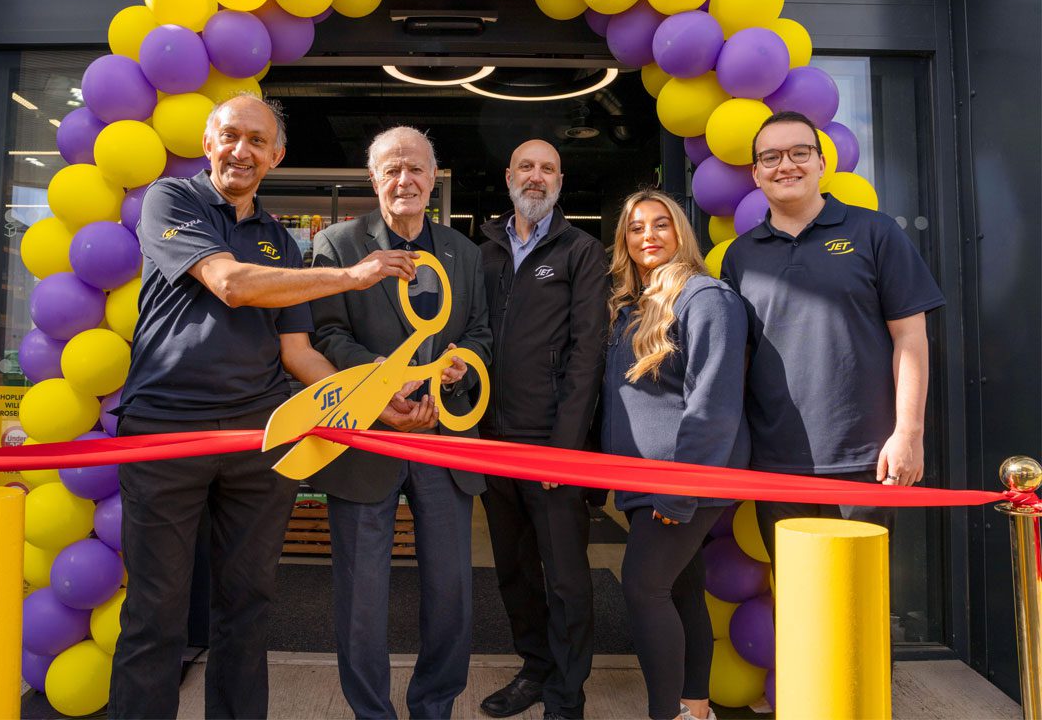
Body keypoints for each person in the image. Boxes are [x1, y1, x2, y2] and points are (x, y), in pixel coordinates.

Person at [109, 94, 425, 720]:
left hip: (259, 439)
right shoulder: (171, 201)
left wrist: (371, 402)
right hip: (167, 433)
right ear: (208, 143)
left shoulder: (281, 239)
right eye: (230, 136)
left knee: (247, 609)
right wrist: (350, 276)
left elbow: (299, 353)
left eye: (257, 141)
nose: (241, 151)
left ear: (276, 155)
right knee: (156, 612)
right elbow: (230, 283)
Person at [308, 126, 493, 720]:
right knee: (362, 595)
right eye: (391, 169)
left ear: (432, 177)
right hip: (366, 438)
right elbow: (326, 334)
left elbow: (480, 334)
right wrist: (382, 380)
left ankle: (434, 706)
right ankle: (371, 713)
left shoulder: (464, 252)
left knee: (451, 592)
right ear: (374, 180)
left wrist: (459, 368)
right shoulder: (336, 246)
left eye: (415, 169)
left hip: (444, 435)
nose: (404, 180)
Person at [720, 110, 945, 562]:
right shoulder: (740, 256)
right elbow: (738, 363)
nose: (786, 165)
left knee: (857, 609)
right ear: (756, 174)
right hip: (775, 467)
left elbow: (911, 339)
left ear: (822, 164)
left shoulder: (875, 233)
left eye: (799, 152)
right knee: (798, 607)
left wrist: (909, 432)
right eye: (771, 157)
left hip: (865, 462)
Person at [602, 189, 750, 720]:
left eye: (661, 224)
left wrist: (680, 488)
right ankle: (695, 707)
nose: (648, 236)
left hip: (680, 478)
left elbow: (712, 404)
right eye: (636, 227)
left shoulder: (706, 298)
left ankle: (666, 713)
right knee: (680, 589)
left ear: (680, 232)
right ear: (624, 241)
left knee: (643, 588)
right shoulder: (632, 306)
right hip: (643, 479)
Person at [476, 139, 609, 720]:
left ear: (561, 180)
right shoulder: (480, 249)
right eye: (526, 166)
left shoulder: (582, 250)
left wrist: (565, 448)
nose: (536, 176)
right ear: (509, 175)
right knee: (513, 571)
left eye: (547, 168)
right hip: (489, 440)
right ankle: (535, 670)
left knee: (567, 579)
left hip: (551, 444)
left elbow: (588, 354)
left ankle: (566, 694)